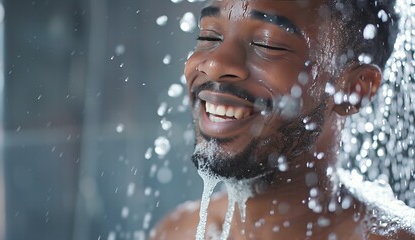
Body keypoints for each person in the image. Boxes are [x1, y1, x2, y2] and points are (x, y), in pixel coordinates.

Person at [151, 0, 415, 239]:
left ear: (354, 90)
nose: (215, 64)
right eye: (209, 36)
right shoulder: (177, 231)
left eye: (267, 43)